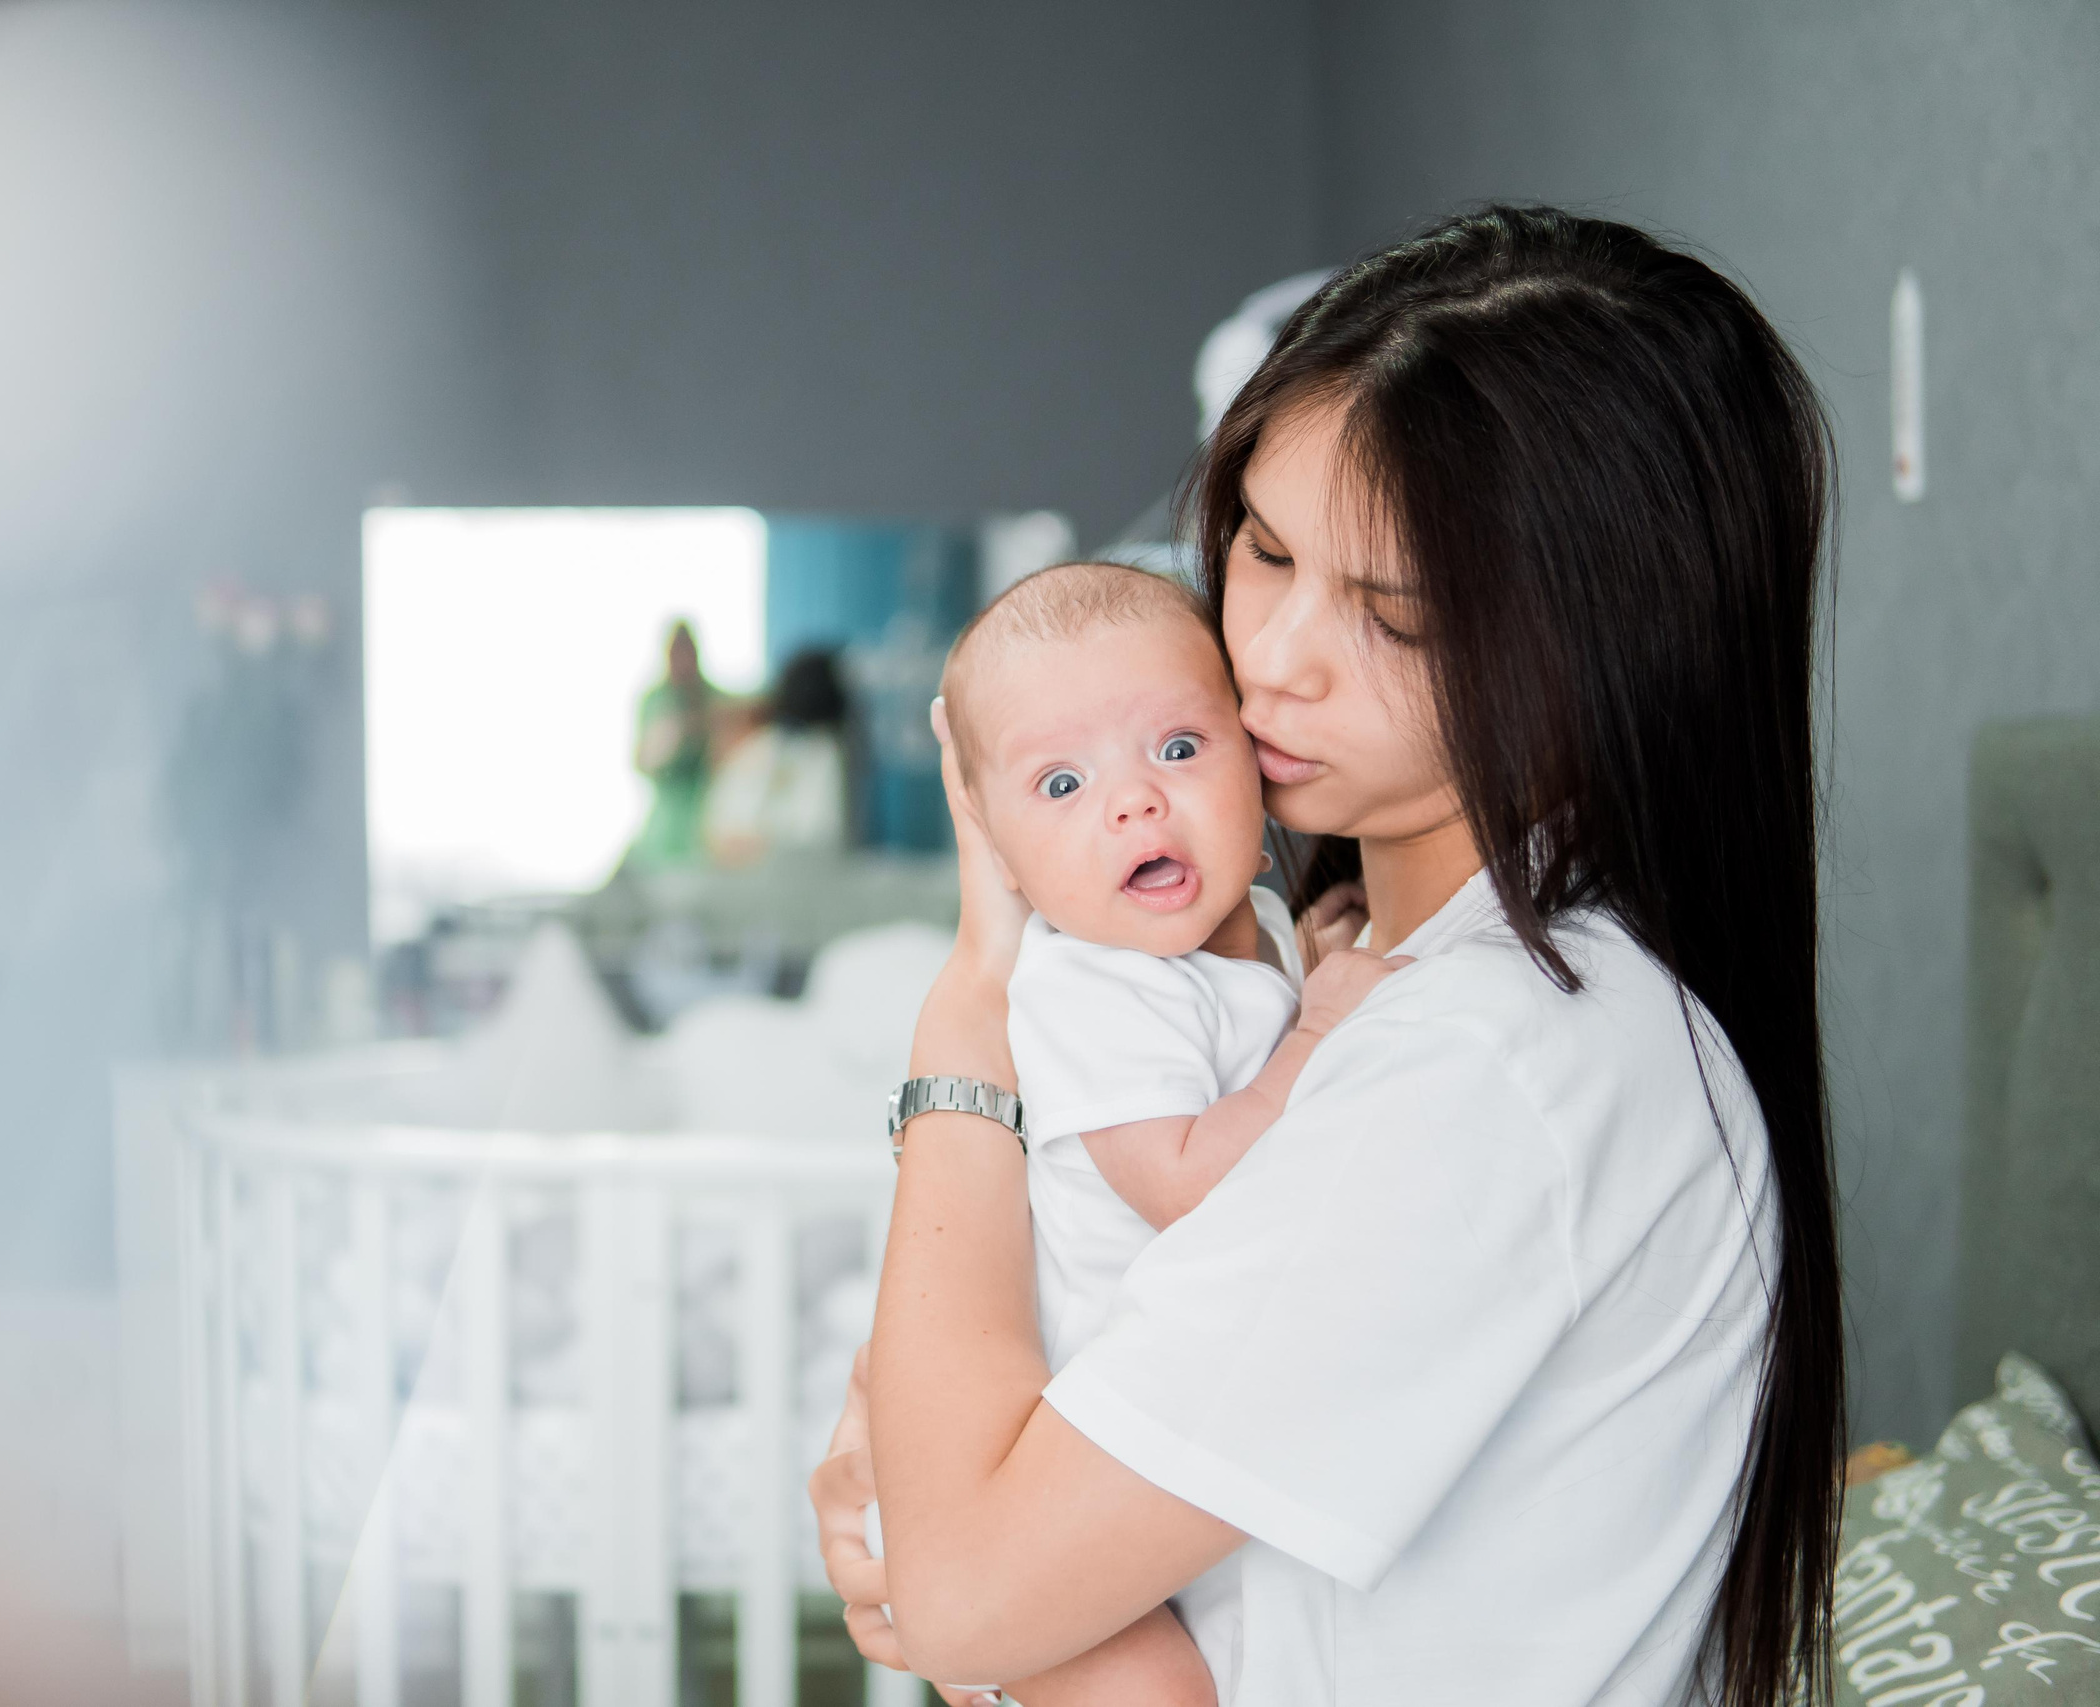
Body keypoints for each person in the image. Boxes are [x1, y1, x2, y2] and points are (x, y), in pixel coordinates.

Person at [812, 205, 1844, 1707]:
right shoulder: (1361, 969)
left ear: (1612, 647)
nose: (1276, 654)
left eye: (1397, 616)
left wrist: (970, 1017)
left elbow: (964, 1592)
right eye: (1265, 547)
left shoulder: (1502, 1056)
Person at [900, 560, 1402, 1705]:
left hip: (1137, 1448)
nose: (1133, 802)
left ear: (1253, 754)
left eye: (1177, 749)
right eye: (1062, 783)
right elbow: (1182, 1184)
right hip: (1035, 1465)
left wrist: (1307, 974)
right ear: (997, 846)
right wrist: (1316, 1037)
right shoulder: (1092, 988)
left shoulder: (1257, 924)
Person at [704, 646, 854, 866]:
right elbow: (720, 834)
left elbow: (823, 835)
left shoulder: (822, 754)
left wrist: (758, 847)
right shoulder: (762, 751)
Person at [627, 621, 725, 869]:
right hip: (665, 826)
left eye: (687, 652)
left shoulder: (713, 699)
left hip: (708, 818)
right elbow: (643, 760)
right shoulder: (655, 701)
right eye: (675, 653)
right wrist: (678, 730)